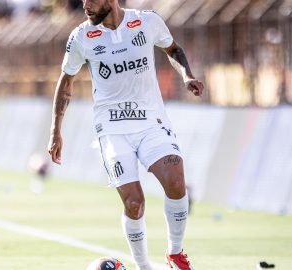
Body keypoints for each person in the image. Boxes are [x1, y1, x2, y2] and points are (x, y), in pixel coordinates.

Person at [47, 1, 204, 269]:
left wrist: (187, 76)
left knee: (176, 178)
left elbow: (172, 48)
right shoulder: (82, 36)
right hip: (112, 129)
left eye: (91, 0)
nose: (85, 5)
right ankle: (144, 266)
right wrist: (55, 129)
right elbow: (66, 80)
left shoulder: (146, 22)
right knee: (134, 203)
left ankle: (175, 253)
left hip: (151, 122)